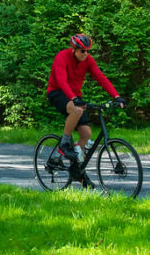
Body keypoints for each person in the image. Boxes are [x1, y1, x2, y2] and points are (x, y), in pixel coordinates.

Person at [45, 34, 123, 186]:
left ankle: (77, 171)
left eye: (87, 51)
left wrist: (116, 96)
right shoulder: (62, 57)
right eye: (82, 51)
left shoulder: (88, 60)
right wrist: (73, 99)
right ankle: (64, 143)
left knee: (86, 134)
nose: (85, 54)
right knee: (77, 110)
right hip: (57, 92)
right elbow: (61, 80)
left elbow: (101, 77)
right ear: (74, 49)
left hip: (74, 96)